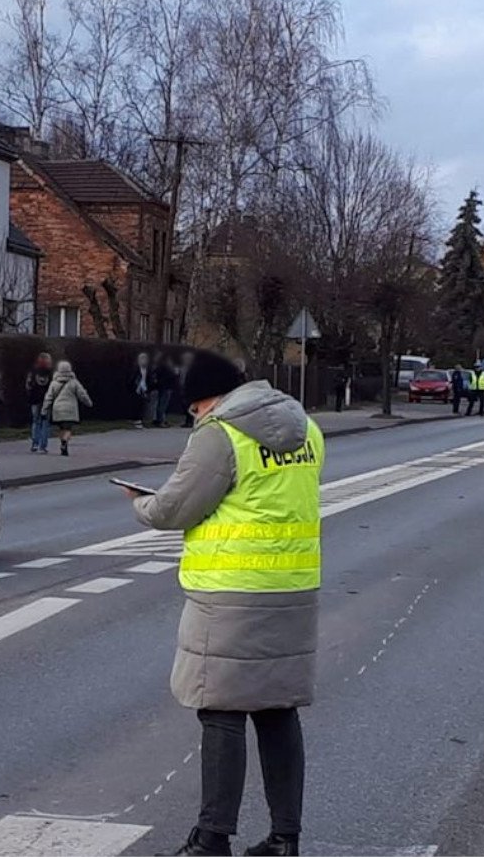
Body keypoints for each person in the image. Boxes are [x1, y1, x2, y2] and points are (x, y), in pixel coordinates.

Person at [124, 351, 323, 857]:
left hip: (230, 592)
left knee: (221, 711)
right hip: (294, 588)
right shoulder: (308, 431)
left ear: (211, 398)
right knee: (278, 712)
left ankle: (212, 838)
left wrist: (139, 504)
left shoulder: (221, 435)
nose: (194, 415)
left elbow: (176, 507)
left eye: (196, 406)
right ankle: (285, 838)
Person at [42, 360, 92, 457]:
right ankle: (65, 443)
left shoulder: (54, 383)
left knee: (61, 428)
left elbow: (48, 397)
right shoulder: (74, 382)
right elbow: (82, 394)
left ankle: (62, 442)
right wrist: (89, 403)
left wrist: (44, 409)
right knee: (68, 428)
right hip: (70, 410)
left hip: (58, 410)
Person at [25, 352, 55, 452]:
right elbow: (53, 388)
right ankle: (43, 446)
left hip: (34, 400)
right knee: (45, 423)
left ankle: (35, 444)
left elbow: (28, 385)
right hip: (47, 400)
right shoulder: (50, 372)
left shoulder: (33, 371)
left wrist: (29, 396)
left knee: (35, 421)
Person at [153, 351, 177, 428]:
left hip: (163, 387)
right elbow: (171, 376)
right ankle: (160, 420)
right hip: (166, 387)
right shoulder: (166, 367)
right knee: (162, 405)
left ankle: (161, 419)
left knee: (161, 404)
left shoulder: (159, 367)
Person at [132, 352, 153, 428]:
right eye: (142, 359)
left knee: (143, 405)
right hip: (137, 389)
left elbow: (149, 379)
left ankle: (142, 420)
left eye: (145, 359)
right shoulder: (136, 369)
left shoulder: (148, 370)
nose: (143, 361)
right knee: (137, 405)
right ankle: (137, 421)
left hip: (145, 389)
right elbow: (132, 379)